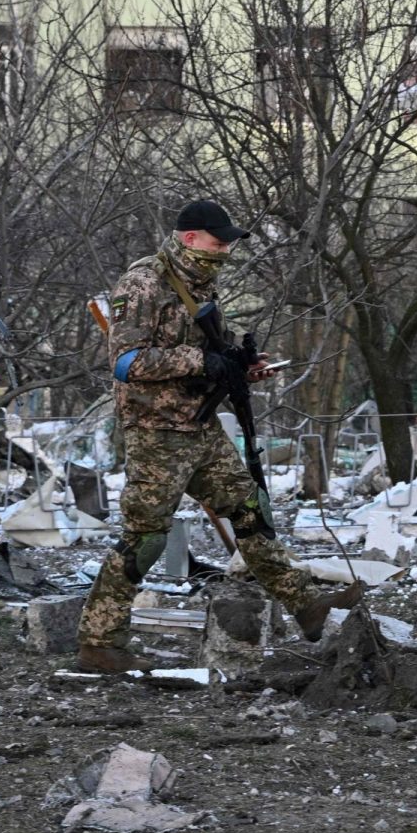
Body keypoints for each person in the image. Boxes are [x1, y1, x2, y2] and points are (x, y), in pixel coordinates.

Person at [76, 200, 361, 673]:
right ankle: (99, 642)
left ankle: (305, 604)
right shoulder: (144, 283)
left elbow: (211, 355)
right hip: (157, 433)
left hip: (201, 425)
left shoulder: (201, 284)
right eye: (218, 240)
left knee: (250, 511)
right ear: (190, 238)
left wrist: (240, 367)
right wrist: (201, 361)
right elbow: (125, 363)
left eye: (229, 241)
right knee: (145, 537)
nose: (225, 248)